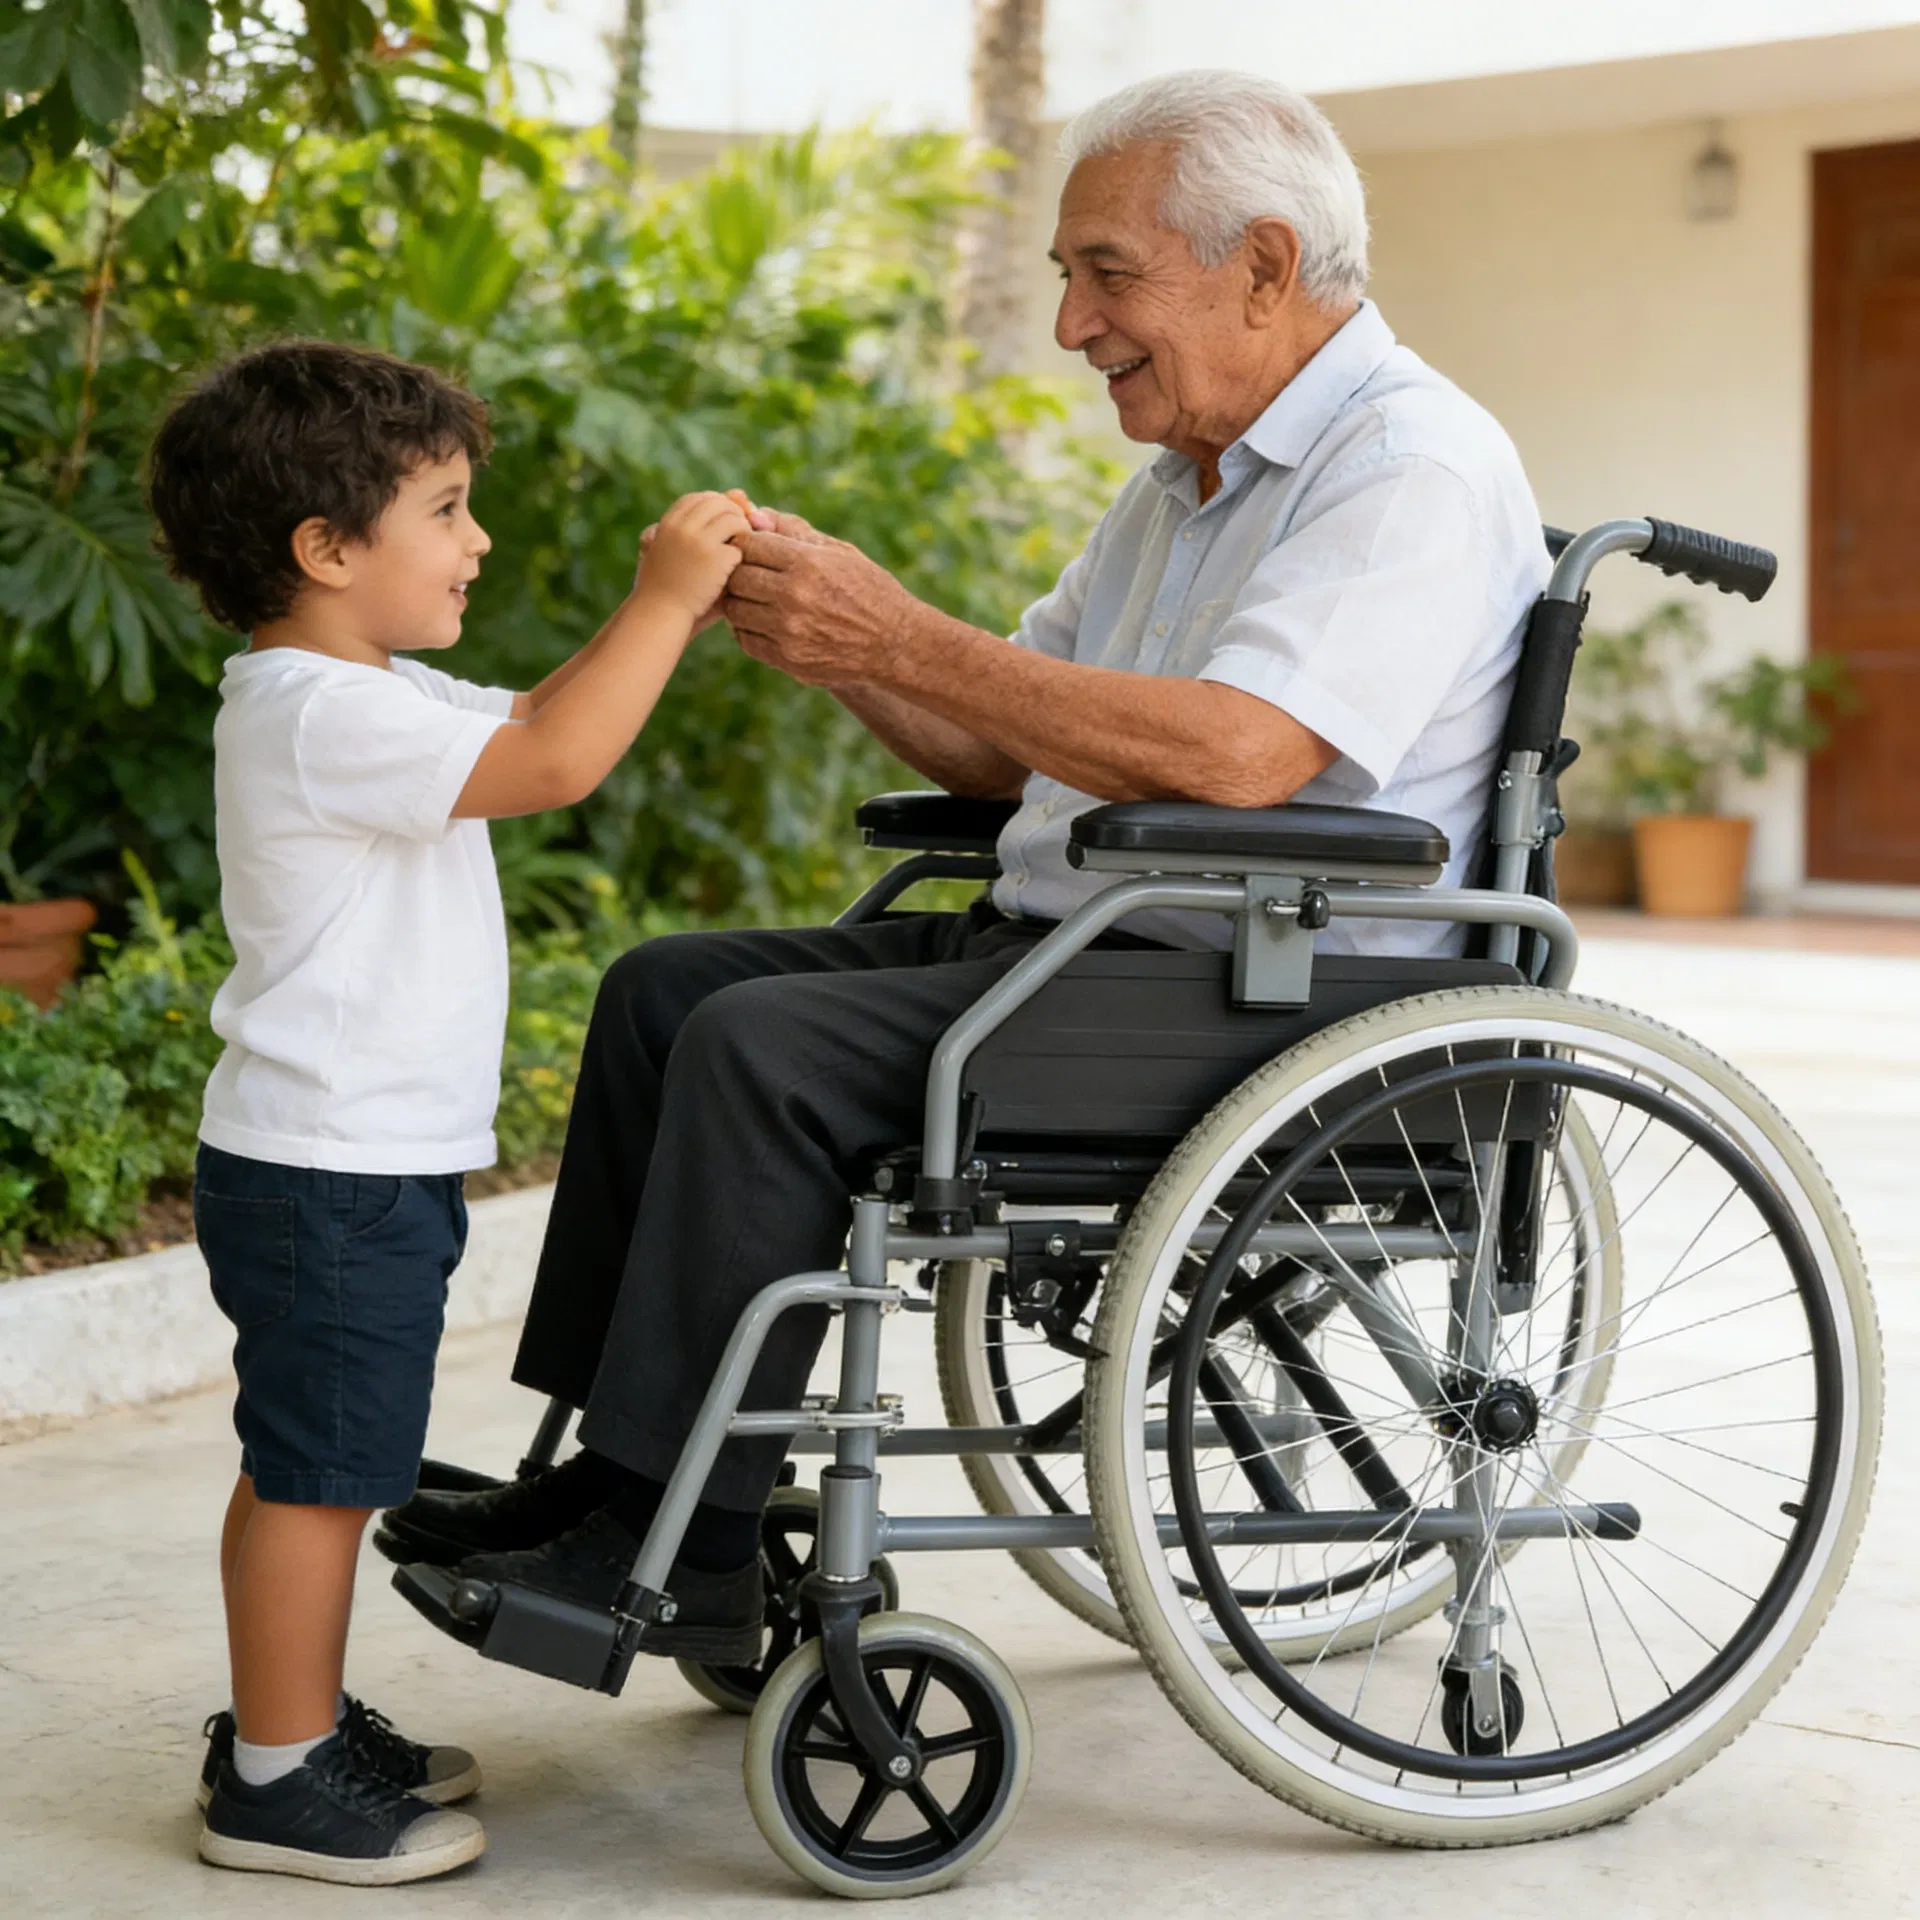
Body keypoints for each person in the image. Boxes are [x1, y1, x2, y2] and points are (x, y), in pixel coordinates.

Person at [378, 69, 1549, 1639]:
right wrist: (841, 643)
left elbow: (1244, 754)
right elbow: (1008, 744)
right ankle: (621, 1479)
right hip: (1088, 955)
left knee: (759, 1049)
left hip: (1270, 996)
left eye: (1106, 272)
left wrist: (911, 634)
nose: (1074, 325)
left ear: (1264, 267)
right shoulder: (1183, 491)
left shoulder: (1411, 467)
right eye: (1071, 275)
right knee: (666, 991)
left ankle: (689, 1539)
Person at [147, 340, 753, 1884]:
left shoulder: (369, 691)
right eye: (448, 508)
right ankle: (276, 1784)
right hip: (327, 1173)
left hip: (349, 1165)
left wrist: (658, 612)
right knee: (323, 1473)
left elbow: (532, 709)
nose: (477, 540)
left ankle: (285, 1725)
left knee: (316, 1459)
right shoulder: (313, 710)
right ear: (327, 550)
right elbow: (553, 759)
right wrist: (667, 599)